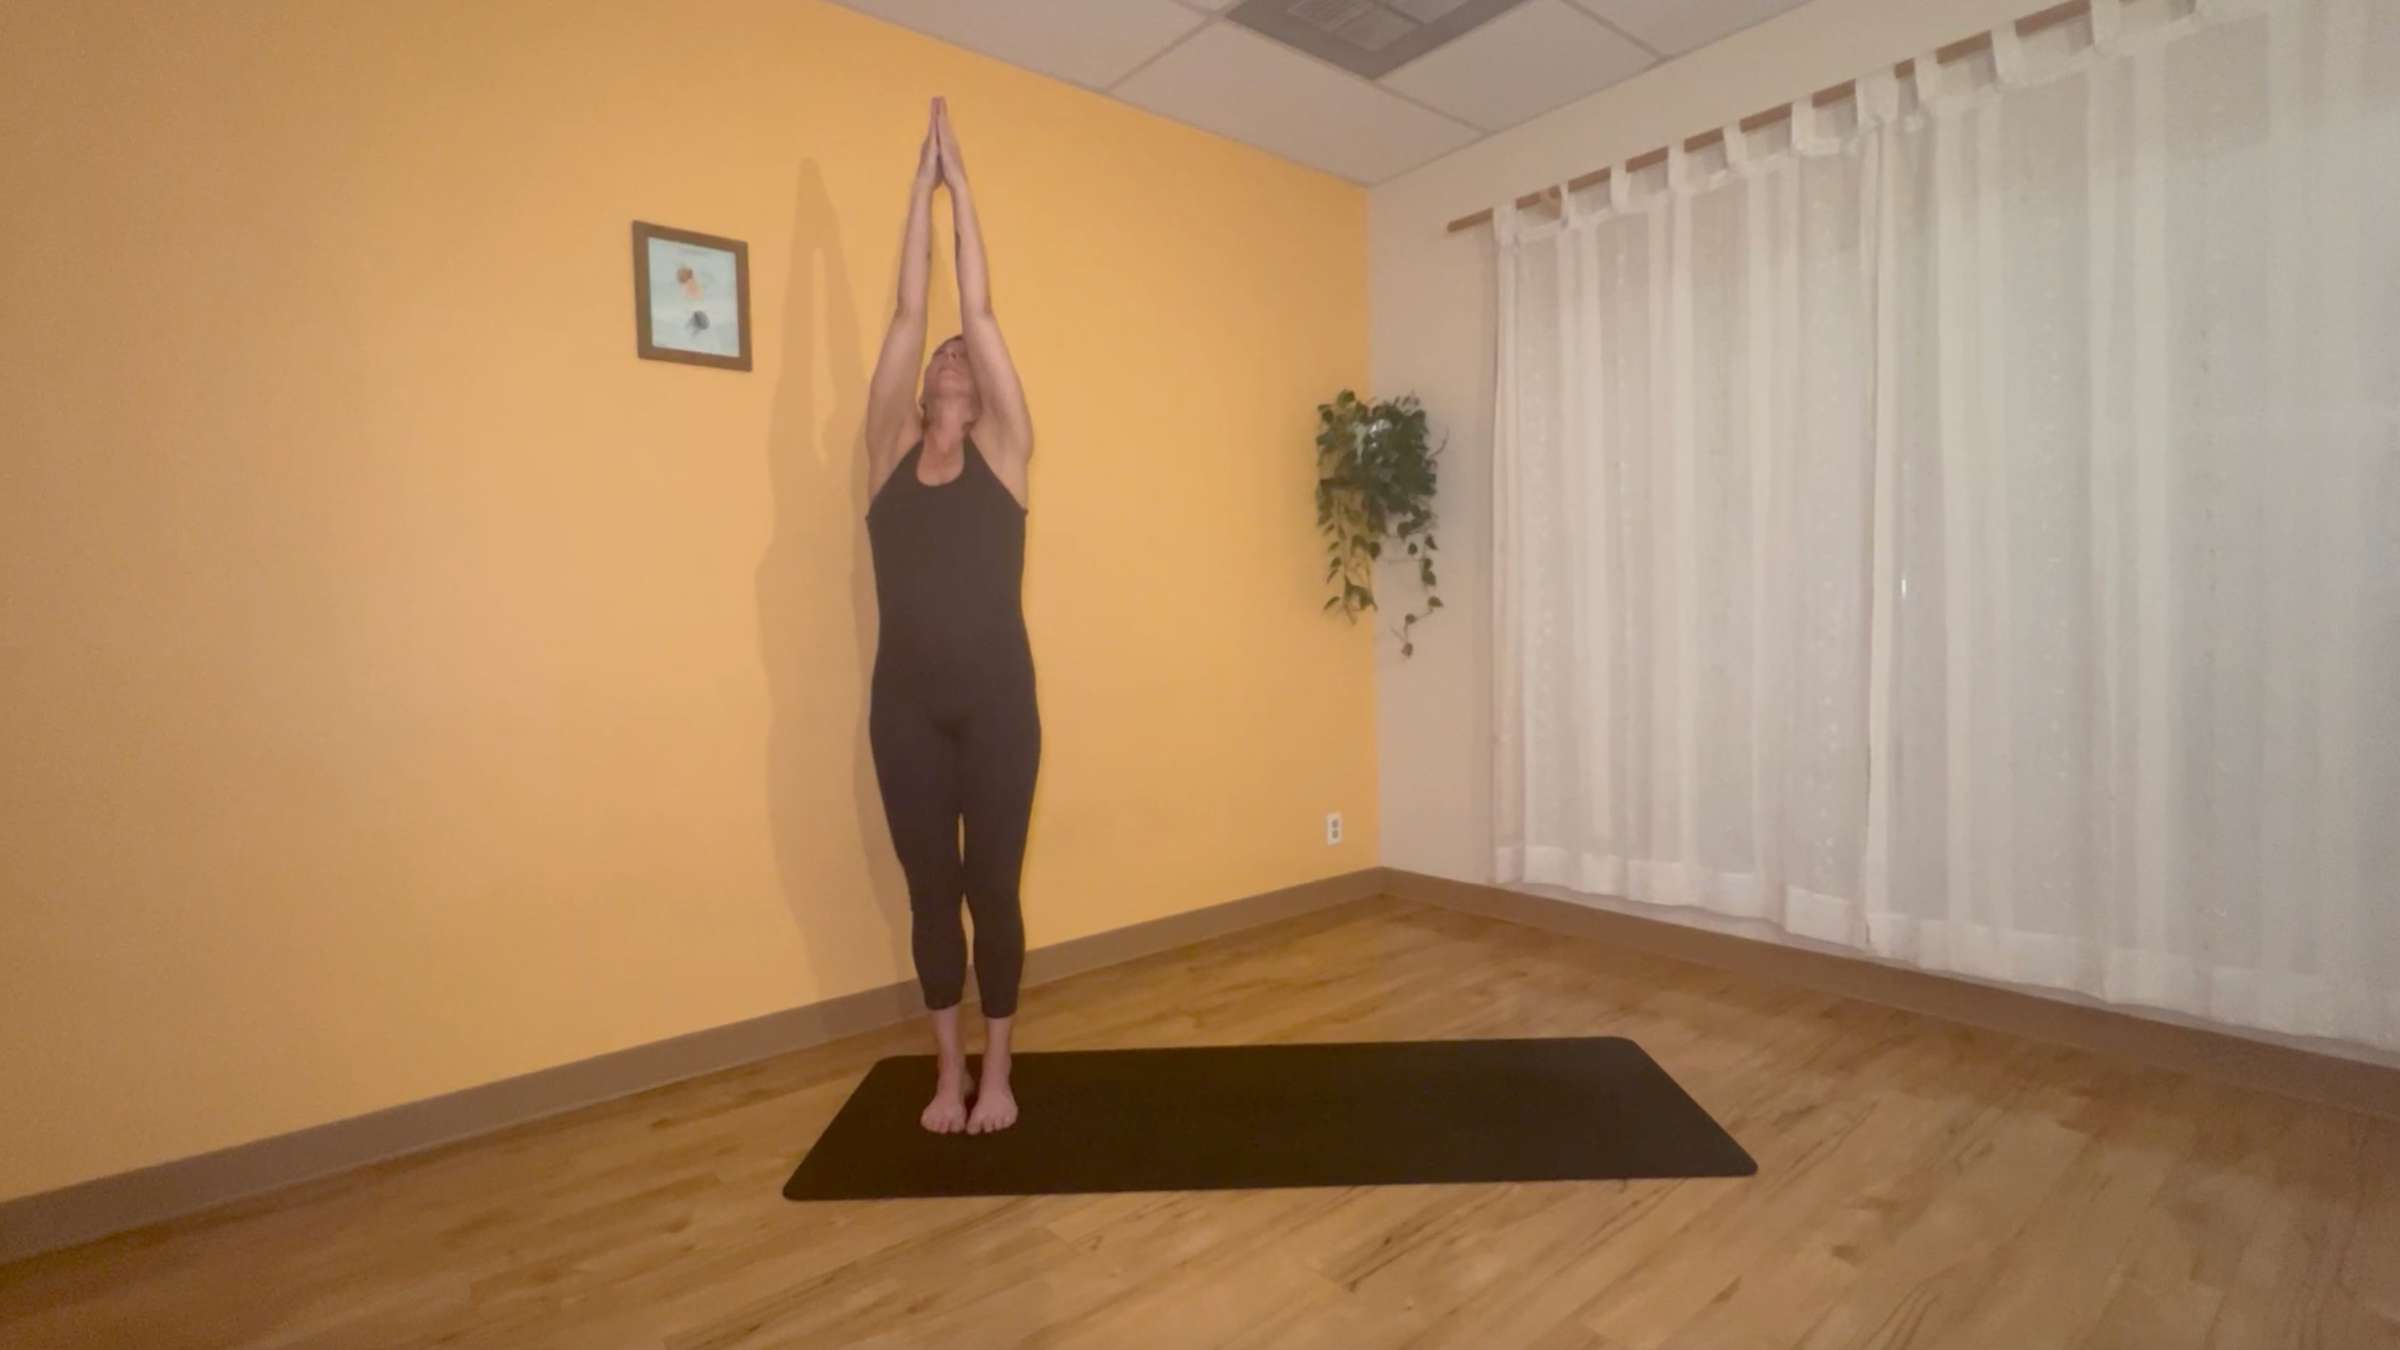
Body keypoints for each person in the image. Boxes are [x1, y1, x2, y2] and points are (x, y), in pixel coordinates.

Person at [863, 98, 1038, 1136]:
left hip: (1000, 712)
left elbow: (978, 308)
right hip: (905, 715)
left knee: (993, 893)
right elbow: (905, 314)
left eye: (963, 356)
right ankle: (947, 1074)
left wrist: (960, 187)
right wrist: (914, 198)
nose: (951, 354)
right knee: (931, 895)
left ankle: (1000, 1073)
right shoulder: (886, 459)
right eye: (943, 356)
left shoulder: (1005, 459)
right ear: (925, 387)